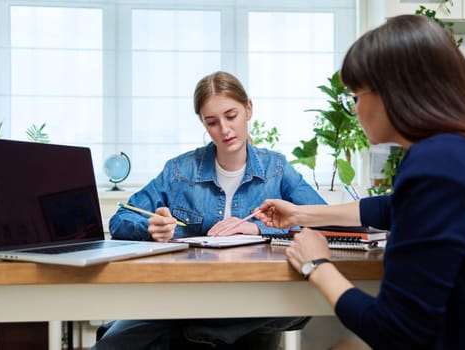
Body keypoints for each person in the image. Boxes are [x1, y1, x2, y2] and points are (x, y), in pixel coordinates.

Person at [255, 14, 465, 350]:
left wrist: (315, 264)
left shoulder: (436, 163)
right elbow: (393, 208)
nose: (357, 109)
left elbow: (396, 331)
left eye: (356, 96)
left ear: (391, 93)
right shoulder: (464, 151)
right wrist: (301, 215)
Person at [92, 71, 326, 350]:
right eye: (212, 122)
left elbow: (321, 218)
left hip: (255, 295)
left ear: (248, 109)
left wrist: (258, 228)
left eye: (231, 116)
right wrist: (149, 228)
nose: (225, 130)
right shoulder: (180, 171)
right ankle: (200, 327)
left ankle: (201, 330)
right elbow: (121, 218)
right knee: (109, 345)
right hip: (183, 296)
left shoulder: (276, 169)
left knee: (301, 302)